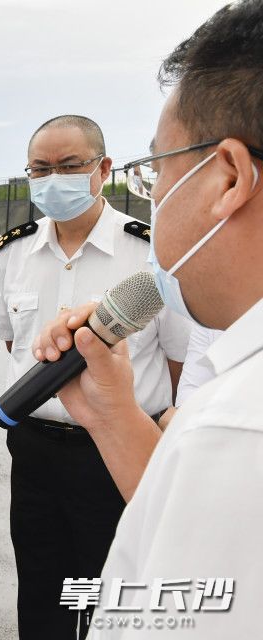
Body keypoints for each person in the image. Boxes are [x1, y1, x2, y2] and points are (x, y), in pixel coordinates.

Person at [34, 5, 263, 635]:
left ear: (229, 177)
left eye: (157, 168)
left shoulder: (238, 429)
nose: (154, 194)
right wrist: (113, 414)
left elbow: (185, 610)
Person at [0, 115, 191, 639]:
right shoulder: (14, 251)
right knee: (40, 585)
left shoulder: (149, 250)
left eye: (69, 165)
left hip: (117, 452)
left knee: (112, 591)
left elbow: (175, 361)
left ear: (103, 168)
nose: (53, 178)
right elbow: (14, 342)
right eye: (40, 168)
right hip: (33, 449)